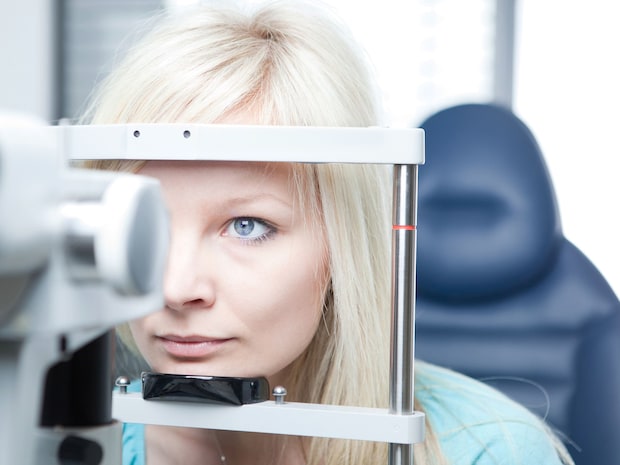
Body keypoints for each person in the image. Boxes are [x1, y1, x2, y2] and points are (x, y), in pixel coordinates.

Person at [80, 1, 575, 464]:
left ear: (343, 248)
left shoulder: (492, 449)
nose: (177, 288)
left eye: (247, 226)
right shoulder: (62, 440)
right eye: (146, 225)